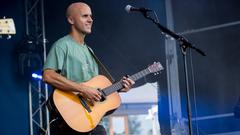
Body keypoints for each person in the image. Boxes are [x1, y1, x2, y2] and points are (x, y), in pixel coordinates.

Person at [42, 2, 135, 135]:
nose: (90, 19)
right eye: (85, 16)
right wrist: (83, 89)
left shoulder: (89, 50)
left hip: (93, 121)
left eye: (91, 16)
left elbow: (94, 91)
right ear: (71, 19)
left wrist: (119, 88)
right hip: (70, 120)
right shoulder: (62, 45)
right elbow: (48, 76)